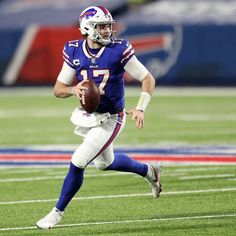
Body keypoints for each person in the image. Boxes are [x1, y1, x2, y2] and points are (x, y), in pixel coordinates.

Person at [36, 5, 161, 229]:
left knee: (78, 161)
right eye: (101, 26)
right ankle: (149, 170)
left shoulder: (118, 49)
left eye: (107, 26)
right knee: (106, 163)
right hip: (90, 115)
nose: (107, 31)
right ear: (87, 27)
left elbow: (147, 78)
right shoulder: (74, 50)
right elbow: (58, 89)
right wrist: (74, 90)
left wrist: (141, 107)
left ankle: (56, 213)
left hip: (113, 117)